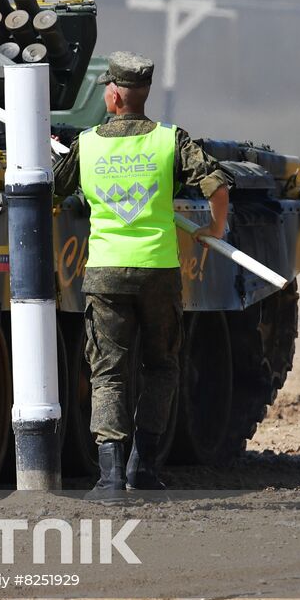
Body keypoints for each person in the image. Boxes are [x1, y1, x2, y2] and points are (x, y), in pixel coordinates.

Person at [52, 51, 232, 499]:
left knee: (108, 372)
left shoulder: (89, 143)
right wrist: (214, 228)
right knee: (161, 367)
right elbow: (217, 183)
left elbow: (54, 188)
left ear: (112, 95)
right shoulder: (170, 140)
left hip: (107, 272)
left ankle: (110, 476)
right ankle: (144, 468)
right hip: (159, 270)